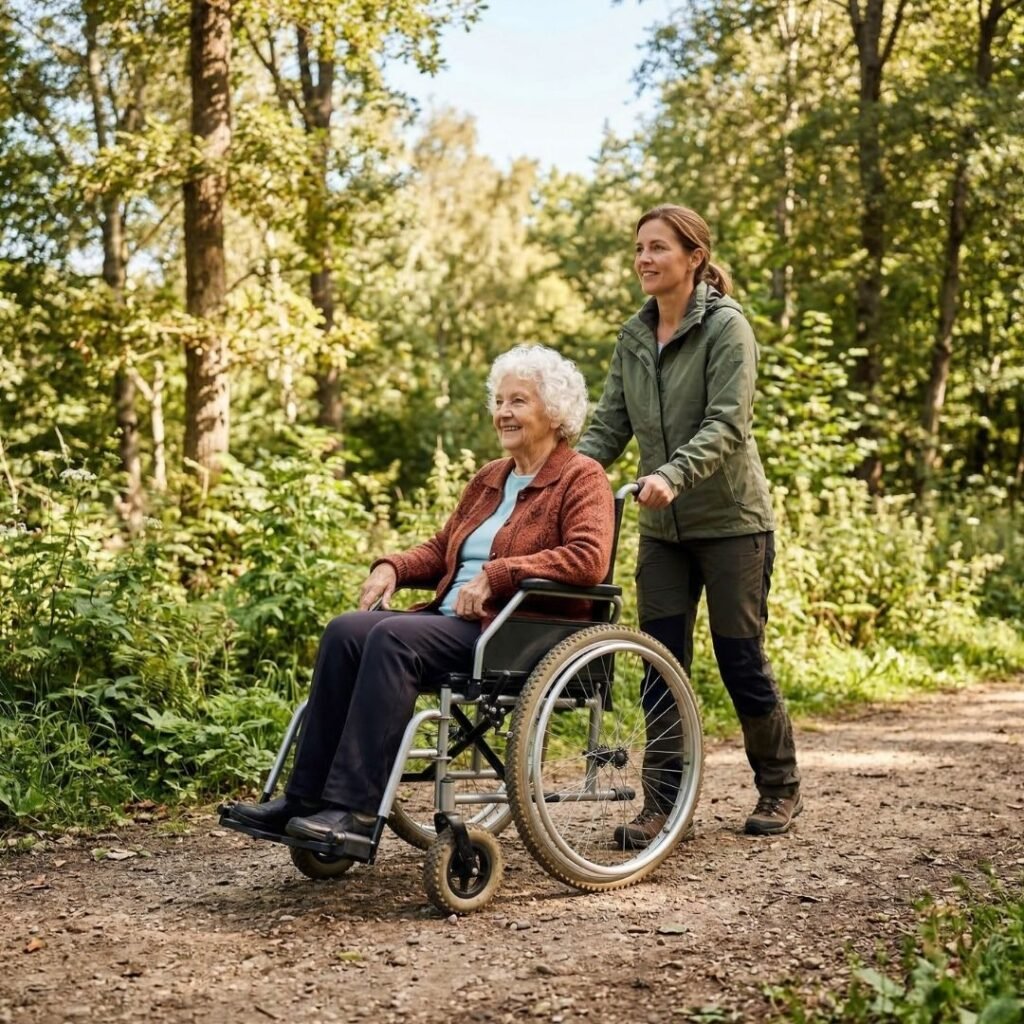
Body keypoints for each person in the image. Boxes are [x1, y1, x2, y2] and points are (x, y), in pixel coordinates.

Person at [228, 345, 614, 850]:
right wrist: (392, 566)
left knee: (392, 637)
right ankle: (304, 802)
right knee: (347, 628)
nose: (503, 412)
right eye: (499, 401)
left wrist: (499, 575)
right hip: (455, 620)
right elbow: (440, 548)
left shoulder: (581, 476)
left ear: (555, 412)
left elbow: (587, 559)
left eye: (518, 401)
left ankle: (356, 811)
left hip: (516, 630)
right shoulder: (490, 478)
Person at [576, 203, 802, 844]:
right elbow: (609, 426)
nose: (644, 259)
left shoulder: (727, 328)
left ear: (694, 257)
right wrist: (557, 480)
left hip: (732, 523)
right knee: (659, 663)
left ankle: (779, 787)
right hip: (664, 534)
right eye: (639, 248)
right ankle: (662, 806)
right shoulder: (633, 336)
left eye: (658, 248)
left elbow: (727, 424)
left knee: (740, 659)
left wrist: (671, 474)